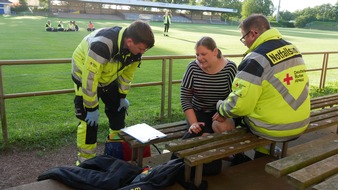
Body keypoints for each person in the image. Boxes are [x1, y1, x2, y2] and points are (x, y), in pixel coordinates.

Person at [213, 14, 310, 158]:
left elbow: (240, 106)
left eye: (244, 37)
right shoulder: (293, 48)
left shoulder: (255, 59)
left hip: (275, 128)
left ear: (253, 34)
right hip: (301, 122)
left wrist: (220, 108)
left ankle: (240, 156)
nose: (245, 42)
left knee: (224, 118)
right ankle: (263, 151)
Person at [71, 20, 155, 165]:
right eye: (141, 49)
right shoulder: (102, 45)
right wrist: (91, 108)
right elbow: (90, 79)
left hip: (108, 78)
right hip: (84, 77)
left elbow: (127, 75)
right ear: (129, 41)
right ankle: (85, 162)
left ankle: (114, 152)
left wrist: (122, 96)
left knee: (118, 113)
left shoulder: (135, 52)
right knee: (89, 122)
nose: (142, 53)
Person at [179, 36, 237, 175]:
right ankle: (216, 160)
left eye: (203, 54)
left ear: (215, 51)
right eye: (197, 54)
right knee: (203, 135)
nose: (199, 58)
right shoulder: (192, 67)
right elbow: (185, 97)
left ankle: (228, 153)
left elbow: (235, 95)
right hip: (198, 111)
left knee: (221, 127)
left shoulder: (230, 68)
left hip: (222, 112)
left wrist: (225, 113)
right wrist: (193, 123)